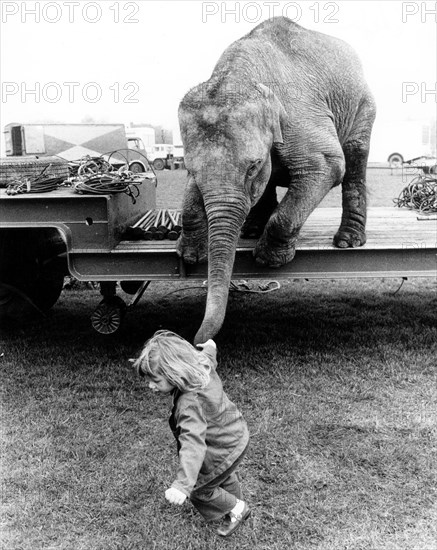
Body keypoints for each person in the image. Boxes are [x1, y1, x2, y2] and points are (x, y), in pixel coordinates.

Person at [132, 330, 250, 537]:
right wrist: (211, 347)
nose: (150, 386)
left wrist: (183, 486)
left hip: (221, 446)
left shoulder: (188, 405)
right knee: (222, 473)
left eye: (156, 381)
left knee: (201, 491)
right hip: (235, 435)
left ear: (175, 373)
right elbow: (208, 358)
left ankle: (237, 509)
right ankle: (235, 503)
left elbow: (193, 444)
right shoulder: (200, 367)